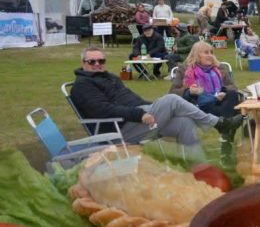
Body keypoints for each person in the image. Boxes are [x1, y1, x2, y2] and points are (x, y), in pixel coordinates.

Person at [72, 47, 243, 160]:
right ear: (83, 64)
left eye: (100, 61)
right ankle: (219, 123)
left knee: (184, 122)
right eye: (91, 62)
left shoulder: (110, 78)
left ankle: (199, 166)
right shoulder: (82, 86)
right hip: (120, 128)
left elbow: (132, 100)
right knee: (171, 100)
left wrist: (150, 107)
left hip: (136, 117)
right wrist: (140, 113)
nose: (97, 65)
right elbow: (103, 110)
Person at [169, 41, 240, 118]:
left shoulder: (219, 68)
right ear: (196, 55)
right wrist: (189, 91)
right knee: (205, 100)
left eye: (211, 53)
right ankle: (226, 122)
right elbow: (172, 92)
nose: (210, 55)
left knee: (233, 94)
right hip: (200, 105)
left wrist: (224, 91)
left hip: (221, 100)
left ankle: (224, 122)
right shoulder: (185, 69)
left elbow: (233, 86)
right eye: (206, 53)